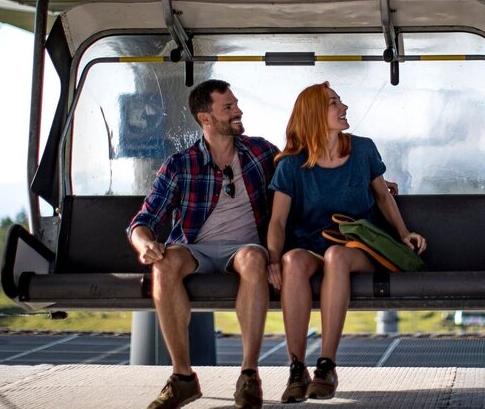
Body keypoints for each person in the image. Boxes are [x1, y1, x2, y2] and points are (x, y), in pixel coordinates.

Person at [266, 82, 427, 403]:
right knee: (293, 261)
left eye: (340, 101)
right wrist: (272, 258)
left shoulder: (363, 149)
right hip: (310, 244)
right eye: (334, 103)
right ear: (314, 114)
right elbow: (278, 221)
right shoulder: (291, 166)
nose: (344, 107)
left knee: (337, 257)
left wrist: (403, 234)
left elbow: (383, 196)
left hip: (356, 246)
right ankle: (297, 368)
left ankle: (326, 365)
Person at [127, 79, 279, 409]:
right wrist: (143, 245)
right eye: (228, 107)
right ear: (205, 118)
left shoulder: (260, 152)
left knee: (254, 260)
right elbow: (144, 221)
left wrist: (373, 181)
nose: (238, 111)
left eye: (236, 103)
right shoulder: (180, 165)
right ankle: (183, 378)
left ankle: (249, 374)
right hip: (195, 248)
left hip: (244, 248)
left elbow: (303, 173)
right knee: (163, 264)